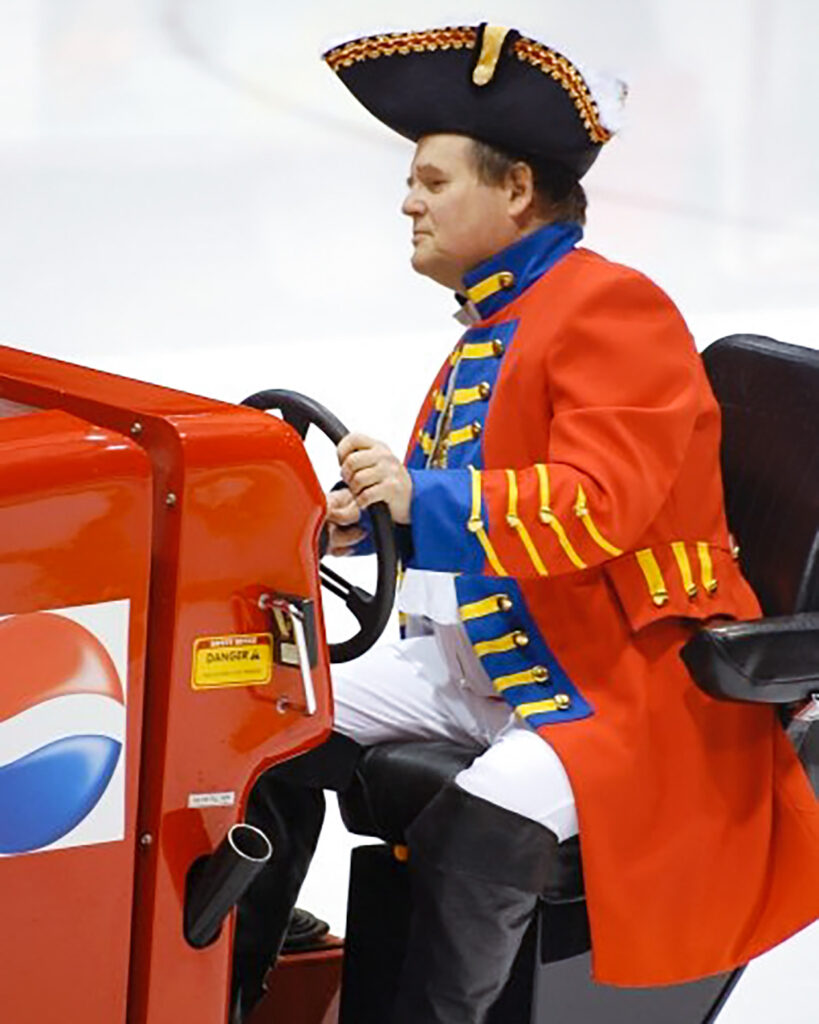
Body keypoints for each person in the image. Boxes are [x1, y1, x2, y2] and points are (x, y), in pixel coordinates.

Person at [232, 22, 819, 1024]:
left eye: (433, 181)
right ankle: (231, 984)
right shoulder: (501, 320)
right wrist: (372, 525)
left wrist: (424, 501)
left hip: (611, 683)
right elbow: (480, 494)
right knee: (241, 727)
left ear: (514, 191)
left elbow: (598, 506)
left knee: (474, 828)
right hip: (493, 659)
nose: (408, 202)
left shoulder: (610, 309)